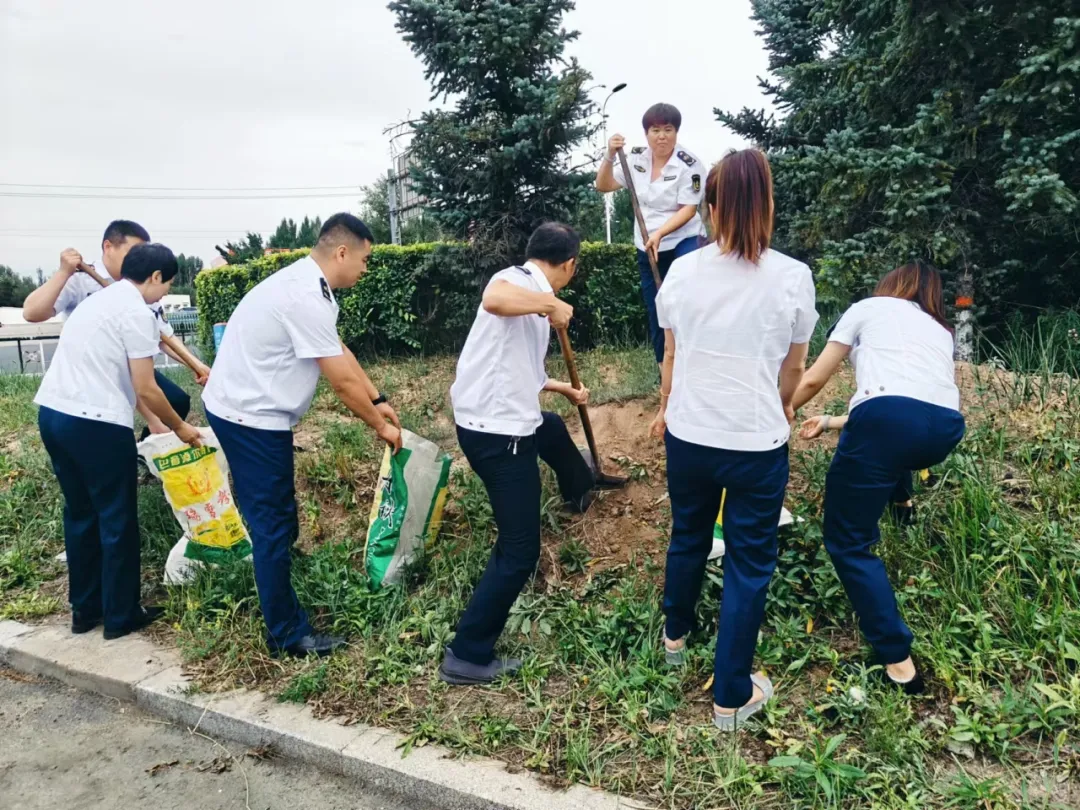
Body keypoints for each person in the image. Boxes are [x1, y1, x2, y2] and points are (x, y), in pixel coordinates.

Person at [649, 149, 818, 730]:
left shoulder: (683, 271)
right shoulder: (793, 276)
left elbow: (671, 355)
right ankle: (731, 698)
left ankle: (674, 640)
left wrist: (666, 407)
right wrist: (785, 404)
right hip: (755, 442)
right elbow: (794, 367)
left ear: (712, 208)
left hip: (689, 435)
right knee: (749, 563)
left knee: (688, 535)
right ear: (767, 205)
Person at [202, 213, 402, 659]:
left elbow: (338, 350)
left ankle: (279, 572)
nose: (366, 269)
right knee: (271, 523)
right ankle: (286, 633)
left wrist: (378, 397)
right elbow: (340, 382)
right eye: (365, 259)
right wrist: (379, 425)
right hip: (249, 417)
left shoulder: (312, 287)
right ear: (342, 252)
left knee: (277, 513)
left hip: (247, 408)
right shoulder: (304, 296)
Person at [792, 261, 965, 694]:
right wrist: (831, 422)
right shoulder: (940, 330)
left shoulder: (868, 308)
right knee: (894, 444)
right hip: (944, 428)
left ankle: (898, 662)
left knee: (848, 541)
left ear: (891, 284)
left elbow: (813, 379)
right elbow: (909, 402)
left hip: (889, 422)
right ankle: (903, 506)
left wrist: (777, 408)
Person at [439, 222, 596, 686]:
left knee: (550, 426)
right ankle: (467, 653)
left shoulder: (529, 296)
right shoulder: (517, 281)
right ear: (569, 264)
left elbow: (522, 367)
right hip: (498, 434)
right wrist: (550, 304)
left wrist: (564, 389)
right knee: (520, 549)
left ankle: (581, 488)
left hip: (494, 420)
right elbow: (495, 298)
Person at [34, 243, 202, 640]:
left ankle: (85, 609)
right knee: (116, 518)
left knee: (80, 514)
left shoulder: (98, 301)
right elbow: (146, 388)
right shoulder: (136, 312)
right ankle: (121, 615)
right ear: (155, 276)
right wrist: (180, 427)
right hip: (96, 424)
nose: (165, 293)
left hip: (53, 415)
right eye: (168, 284)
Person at [22, 220, 210, 436]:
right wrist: (63, 272)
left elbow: (163, 335)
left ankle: (151, 447)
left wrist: (197, 366)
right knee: (131, 416)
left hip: (134, 361)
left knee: (175, 401)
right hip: (94, 371)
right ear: (108, 247)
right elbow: (31, 313)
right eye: (134, 251)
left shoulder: (146, 286)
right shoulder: (82, 278)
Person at [595, 103, 706, 366]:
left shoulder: (690, 165)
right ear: (646, 133)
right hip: (646, 244)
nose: (662, 136)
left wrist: (660, 234)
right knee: (657, 307)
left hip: (684, 241)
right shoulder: (635, 160)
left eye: (668, 129)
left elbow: (689, 209)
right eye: (655, 130)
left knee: (687, 301)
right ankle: (664, 371)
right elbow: (603, 185)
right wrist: (609, 155)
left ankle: (695, 362)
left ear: (676, 132)